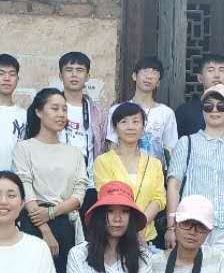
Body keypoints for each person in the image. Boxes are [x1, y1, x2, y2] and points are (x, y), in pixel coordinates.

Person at [13, 88, 88, 273]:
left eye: (64, 109)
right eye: (54, 108)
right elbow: (25, 187)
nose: (61, 114)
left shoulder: (74, 153)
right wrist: (45, 228)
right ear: (39, 111)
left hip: (65, 222)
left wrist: (53, 213)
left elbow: (79, 194)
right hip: (33, 221)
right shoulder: (24, 147)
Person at [166, 84, 224, 261]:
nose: (214, 110)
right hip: (192, 225)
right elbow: (173, 186)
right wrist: (171, 227)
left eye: (221, 106)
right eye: (208, 106)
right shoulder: (186, 142)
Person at [92, 101, 166, 244]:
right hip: (114, 236)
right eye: (124, 122)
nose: (130, 127)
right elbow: (107, 196)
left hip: (146, 237)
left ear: (143, 127)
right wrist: (130, 229)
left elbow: (159, 199)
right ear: (115, 128)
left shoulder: (154, 164)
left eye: (136, 121)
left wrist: (140, 226)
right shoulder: (103, 162)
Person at [107, 56, 178, 161]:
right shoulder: (117, 110)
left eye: (154, 72)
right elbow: (112, 145)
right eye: (145, 71)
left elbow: (170, 149)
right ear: (134, 76)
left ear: (158, 82)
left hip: (154, 170)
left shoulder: (166, 113)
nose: (149, 76)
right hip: (123, 169)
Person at [55, 51, 110, 182]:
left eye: (80, 70)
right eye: (69, 70)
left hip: (89, 182)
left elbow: (103, 147)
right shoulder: (50, 108)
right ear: (60, 75)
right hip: (56, 180)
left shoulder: (97, 113)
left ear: (87, 77)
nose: (74, 75)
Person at [174, 53, 224, 141]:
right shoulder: (185, 111)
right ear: (200, 78)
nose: (217, 75)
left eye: (221, 70)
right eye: (211, 70)